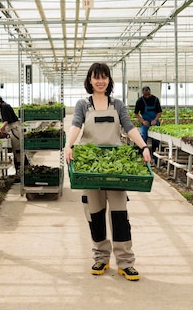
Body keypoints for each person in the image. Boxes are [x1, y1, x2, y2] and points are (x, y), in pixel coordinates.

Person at [64, 62, 151, 282]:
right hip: (90, 165)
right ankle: (101, 257)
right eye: (96, 77)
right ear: (90, 80)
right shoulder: (84, 104)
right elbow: (76, 125)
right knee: (95, 214)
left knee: (120, 215)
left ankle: (125, 262)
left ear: (109, 80)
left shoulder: (118, 104)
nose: (100, 81)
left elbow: (129, 127)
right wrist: (68, 145)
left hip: (114, 163)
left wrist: (143, 146)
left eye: (104, 77)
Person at [0, 94, 29, 182]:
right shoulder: (3, 106)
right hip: (13, 129)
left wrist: (1, 129)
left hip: (15, 129)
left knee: (18, 152)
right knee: (18, 152)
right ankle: (23, 172)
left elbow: (7, 121)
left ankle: (22, 174)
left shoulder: (4, 107)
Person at [133, 86, 162, 164]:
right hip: (145, 122)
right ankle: (142, 157)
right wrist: (143, 121)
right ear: (142, 93)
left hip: (154, 122)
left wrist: (155, 120)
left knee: (156, 140)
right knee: (142, 137)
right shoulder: (140, 101)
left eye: (148, 95)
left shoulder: (155, 100)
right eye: (145, 95)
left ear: (150, 92)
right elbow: (136, 113)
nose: (147, 96)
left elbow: (159, 112)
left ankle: (155, 159)